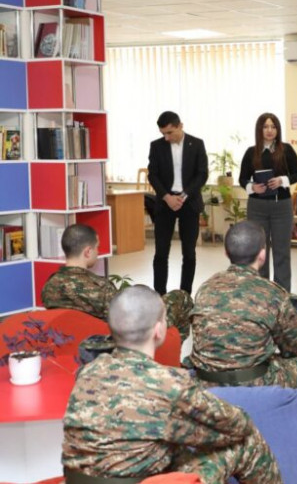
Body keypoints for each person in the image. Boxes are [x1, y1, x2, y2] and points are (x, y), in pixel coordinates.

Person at [62, 285, 281, 484]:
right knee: (245, 442)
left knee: (174, 446)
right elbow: (238, 424)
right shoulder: (168, 384)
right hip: (144, 480)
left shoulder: (87, 372)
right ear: (158, 330)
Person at [191, 221, 297, 392]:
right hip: (254, 384)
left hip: (204, 382)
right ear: (262, 255)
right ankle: (294, 404)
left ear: (226, 253)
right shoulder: (272, 293)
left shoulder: (205, 288)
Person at [41, 223, 193, 339]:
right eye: (97, 247)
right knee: (181, 297)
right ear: (87, 252)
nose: (98, 252)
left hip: (74, 341)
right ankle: (169, 351)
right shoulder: (101, 288)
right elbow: (126, 322)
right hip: (113, 343)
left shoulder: (49, 286)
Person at [148, 110, 208, 296]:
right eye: (163, 134)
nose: (166, 138)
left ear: (180, 126)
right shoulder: (156, 146)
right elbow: (153, 175)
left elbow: (202, 174)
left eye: (170, 132)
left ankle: (185, 295)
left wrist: (184, 195)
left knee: (189, 253)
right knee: (161, 253)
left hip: (189, 202)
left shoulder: (196, 144)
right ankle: (159, 295)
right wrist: (167, 197)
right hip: (165, 202)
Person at [238, 113, 297, 292]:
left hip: (282, 207)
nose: (270, 130)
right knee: (259, 252)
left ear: (278, 130)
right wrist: (252, 187)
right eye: (265, 127)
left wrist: (282, 180)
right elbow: (242, 178)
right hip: (257, 207)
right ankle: (262, 293)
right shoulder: (251, 152)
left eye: (273, 127)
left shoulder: (286, 150)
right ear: (259, 130)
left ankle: (282, 294)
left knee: (282, 252)